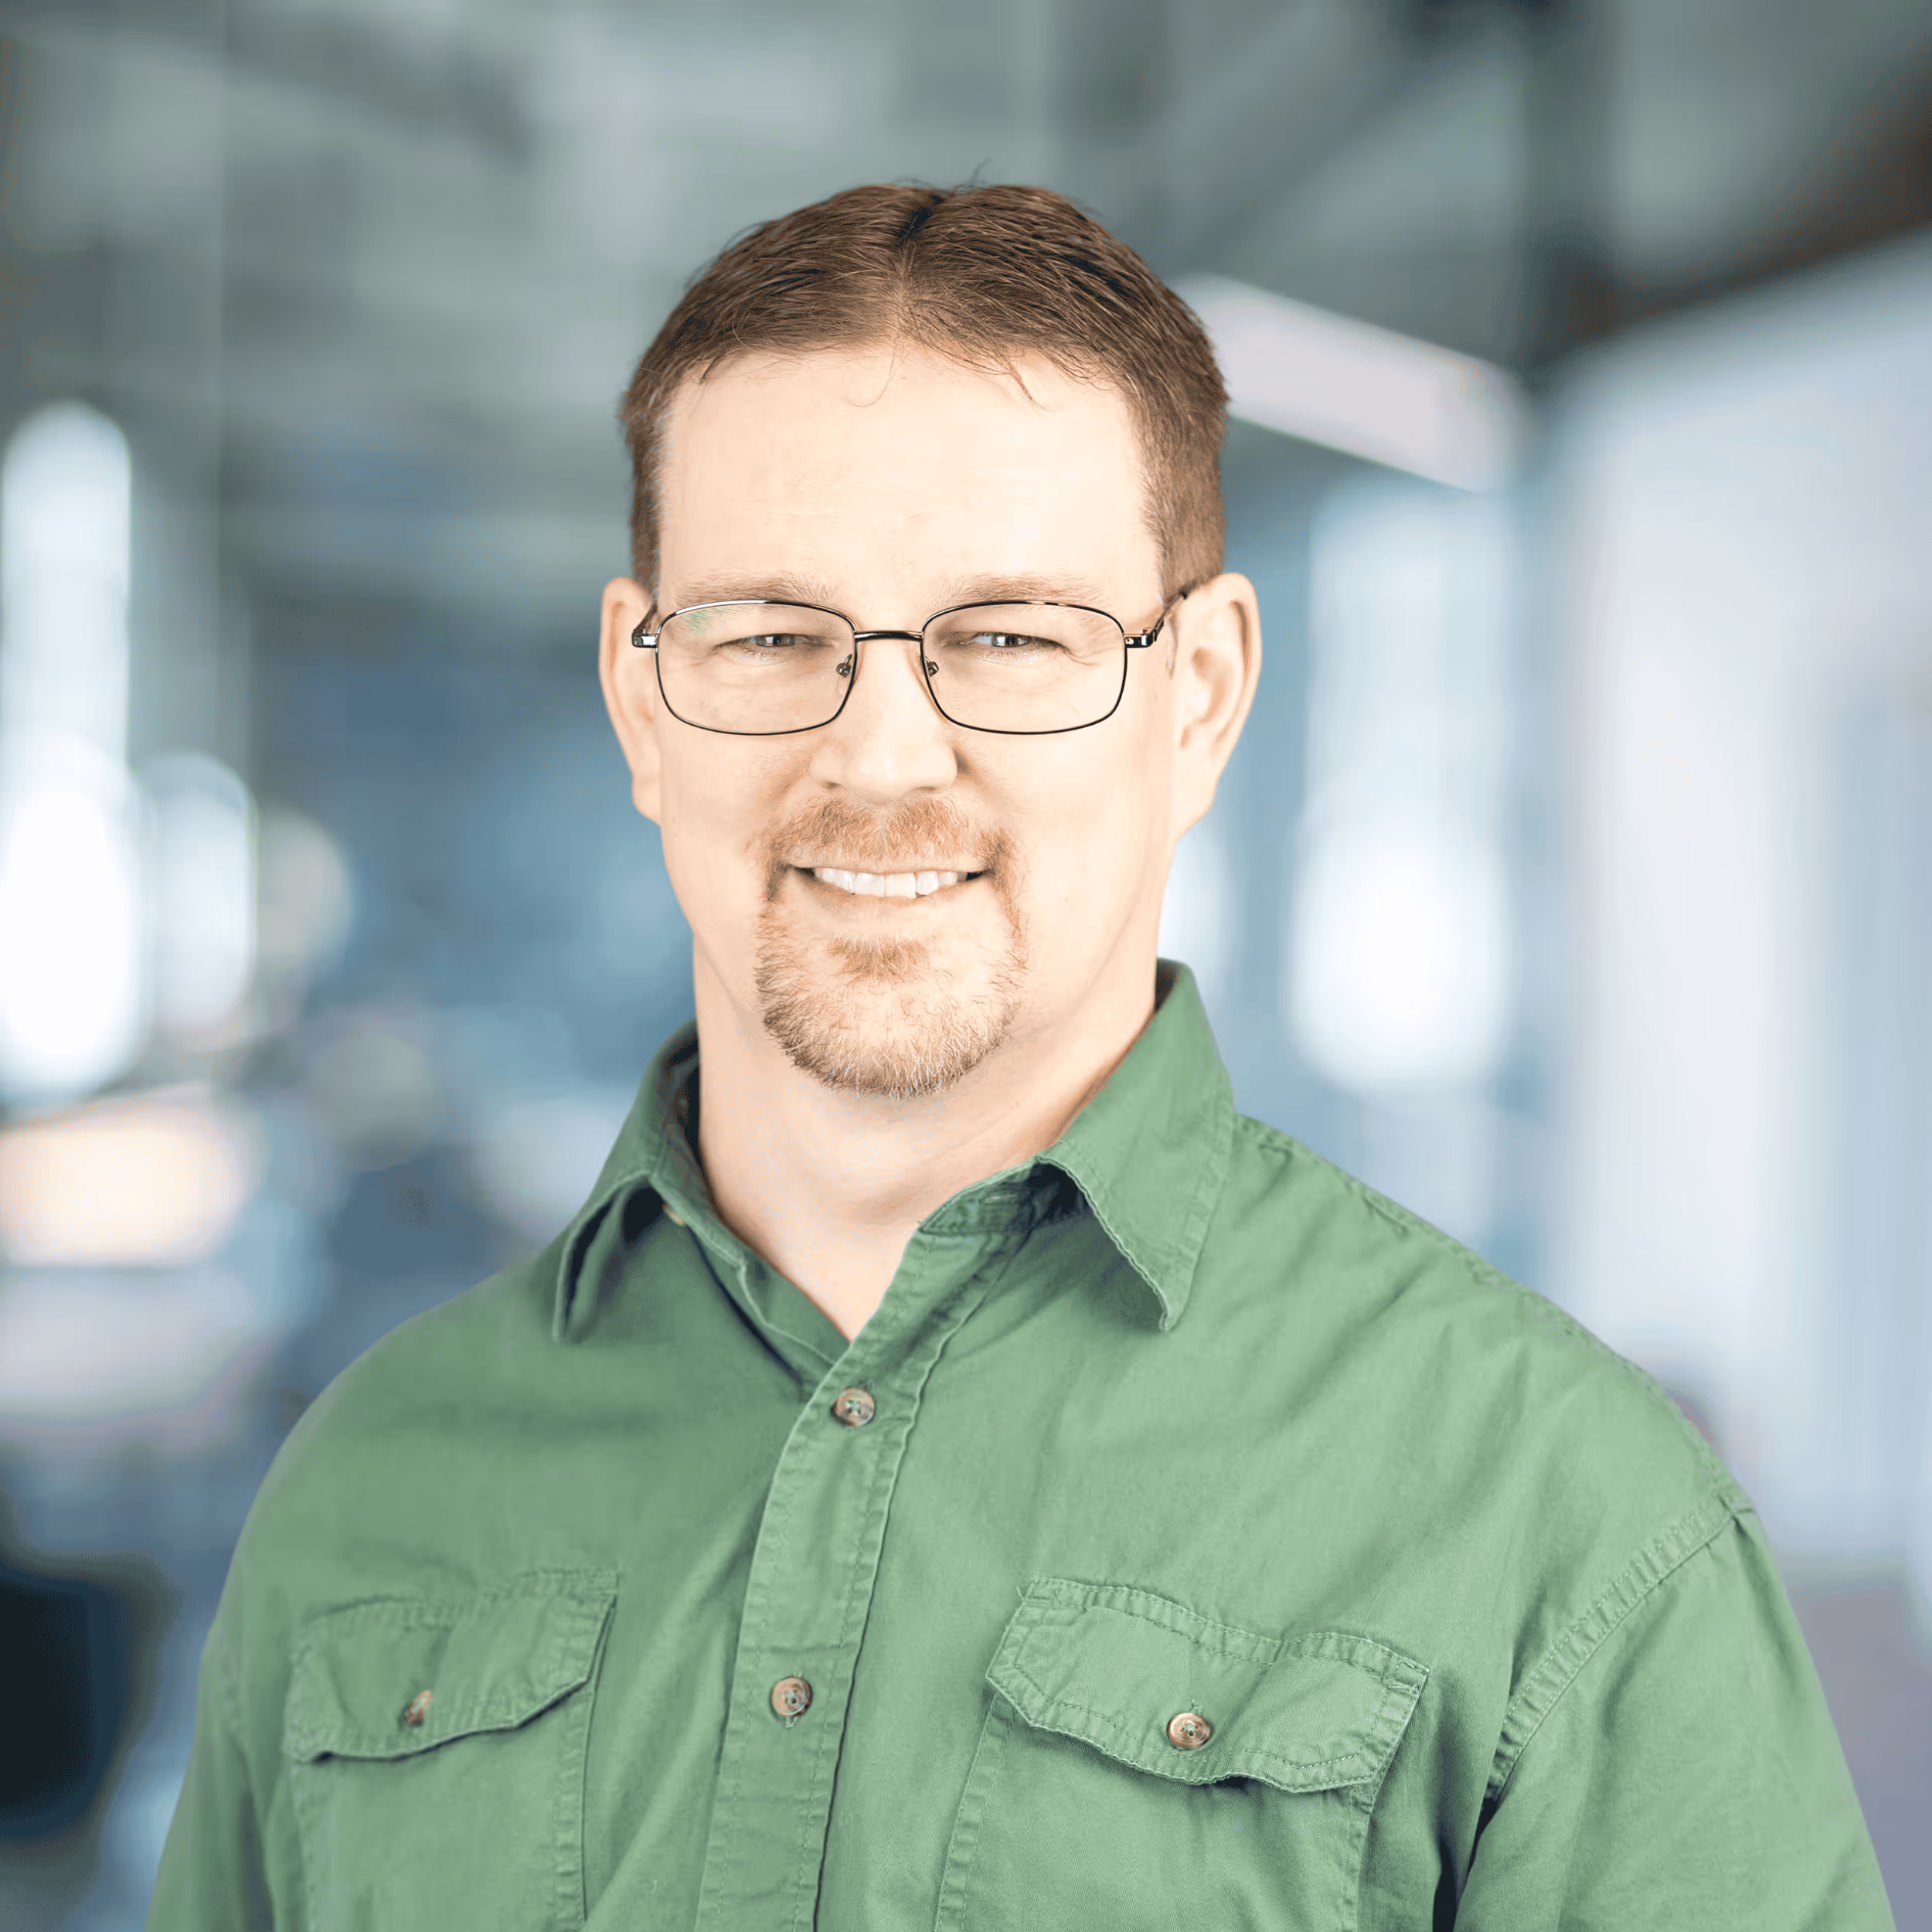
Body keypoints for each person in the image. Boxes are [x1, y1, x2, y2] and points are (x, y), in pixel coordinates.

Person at [147, 182, 1893, 1931]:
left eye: (1008, 638)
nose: (884, 752)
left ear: (1196, 694)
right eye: (769, 634)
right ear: (639, 695)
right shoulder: (371, 1493)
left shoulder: (1560, 1516)